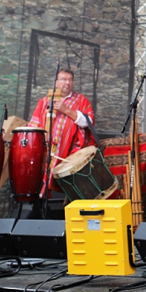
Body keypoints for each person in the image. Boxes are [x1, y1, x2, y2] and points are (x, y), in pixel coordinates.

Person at [27, 69, 95, 210]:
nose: (67, 83)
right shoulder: (44, 101)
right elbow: (33, 125)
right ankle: (39, 212)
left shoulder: (81, 100)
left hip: (70, 151)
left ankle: (69, 215)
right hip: (46, 151)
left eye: (70, 80)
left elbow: (88, 122)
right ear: (56, 82)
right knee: (39, 182)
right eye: (63, 79)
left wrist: (65, 110)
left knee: (72, 188)